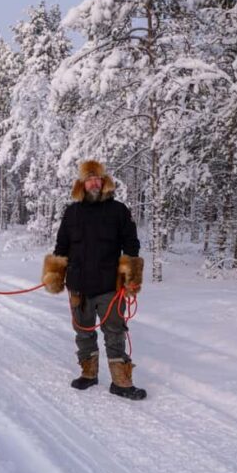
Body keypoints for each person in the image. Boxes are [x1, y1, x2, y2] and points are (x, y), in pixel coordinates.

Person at [42, 160, 146, 400]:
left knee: (115, 331)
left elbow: (131, 244)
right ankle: (89, 374)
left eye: (97, 179)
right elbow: (62, 246)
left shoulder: (119, 210)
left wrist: (131, 275)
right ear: (82, 183)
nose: (94, 183)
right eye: (89, 179)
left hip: (110, 286)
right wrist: (55, 275)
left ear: (104, 181)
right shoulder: (72, 212)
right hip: (78, 285)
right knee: (83, 331)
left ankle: (121, 382)